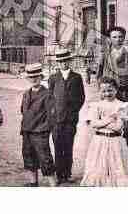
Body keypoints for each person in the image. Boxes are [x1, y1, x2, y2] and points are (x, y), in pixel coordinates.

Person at [97, 26, 128, 173]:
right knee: (110, 128)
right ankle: (111, 164)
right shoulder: (105, 56)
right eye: (114, 37)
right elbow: (99, 76)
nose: (118, 39)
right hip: (111, 96)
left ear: (123, 38)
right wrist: (104, 91)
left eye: (120, 37)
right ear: (109, 39)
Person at [80, 77, 128, 187]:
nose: (107, 93)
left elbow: (118, 127)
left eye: (110, 90)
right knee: (99, 168)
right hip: (99, 142)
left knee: (117, 168)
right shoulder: (96, 105)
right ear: (100, 91)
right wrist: (111, 118)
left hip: (116, 141)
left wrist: (102, 121)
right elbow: (93, 124)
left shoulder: (121, 105)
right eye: (104, 91)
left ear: (116, 90)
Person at [48, 48, 85, 185]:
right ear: (57, 62)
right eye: (60, 61)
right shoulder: (53, 78)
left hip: (70, 120)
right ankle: (59, 174)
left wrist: (73, 112)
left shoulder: (77, 77)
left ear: (70, 61)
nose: (63, 63)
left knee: (68, 146)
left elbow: (81, 97)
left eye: (65, 61)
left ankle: (67, 173)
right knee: (58, 147)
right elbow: (50, 98)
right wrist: (52, 113)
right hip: (56, 120)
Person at [20, 63, 57, 187]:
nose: (34, 79)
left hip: (40, 132)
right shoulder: (26, 94)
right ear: (27, 79)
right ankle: (33, 182)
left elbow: (51, 116)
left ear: (41, 77)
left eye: (36, 76)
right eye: (31, 77)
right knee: (29, 157)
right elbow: (23, 111)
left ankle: (53, 184)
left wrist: (44, 130)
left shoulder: (47, 94)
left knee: (45, 158)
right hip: (27, 131)